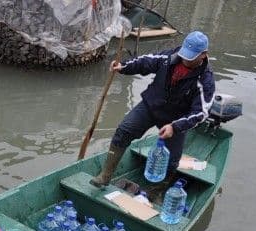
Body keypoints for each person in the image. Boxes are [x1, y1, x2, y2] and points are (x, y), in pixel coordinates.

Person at [90, 30, 215, 197]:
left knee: (171, 161)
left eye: (190, 58)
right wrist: (124, 66)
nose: (185, 59)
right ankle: (105, 176)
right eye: (184, 54)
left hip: (176, 120)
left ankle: (157, 191)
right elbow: (146, 62)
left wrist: (175, 127)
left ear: (203, 55)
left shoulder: (205, 80)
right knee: (124, 130)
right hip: (152, 105)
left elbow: (201, 113)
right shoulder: (169, 58)